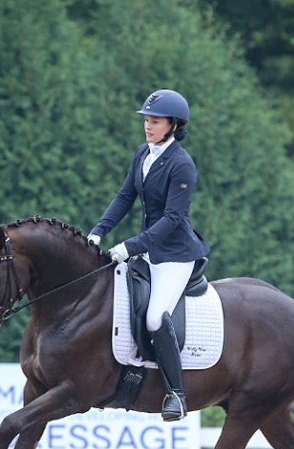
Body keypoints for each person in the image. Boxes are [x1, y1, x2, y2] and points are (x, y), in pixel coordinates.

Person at [87, 89, 210, 422]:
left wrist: (130, 246)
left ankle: (176, 394)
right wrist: (99, 230)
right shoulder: (143, 153)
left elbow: (172, 220)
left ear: (173, 125)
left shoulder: (182, 164)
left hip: (174, 255)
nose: (148, 126)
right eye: (146, 120)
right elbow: (125, 196)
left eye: (155, 121)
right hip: (148, 252)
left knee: (156, 317)